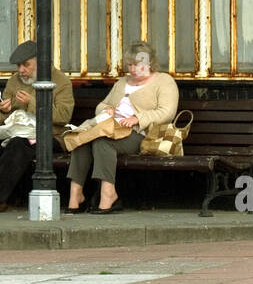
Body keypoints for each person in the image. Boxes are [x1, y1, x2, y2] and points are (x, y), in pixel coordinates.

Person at [66, 40, 177, 214]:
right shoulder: (121, 82)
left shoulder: (164, 81)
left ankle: (108, 194)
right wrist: (106, 109)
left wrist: (138, 118)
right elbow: (101, 105)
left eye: (137, 65)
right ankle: (76, 195)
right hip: (111, 128)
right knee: (82, 139)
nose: (132, 70)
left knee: (103, 143)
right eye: (130, 65)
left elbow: (167, 112)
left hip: (140, 134)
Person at [0, 40, 74, 213]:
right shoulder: (14, 81)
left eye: (26, 65)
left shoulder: (61, 81)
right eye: (19, 66)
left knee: (19, 144)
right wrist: (4, 111)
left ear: (41, 62)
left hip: (50, 136)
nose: (21, 70)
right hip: (17, 132)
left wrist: (33, 103)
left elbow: (63, 116)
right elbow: (0, 119)